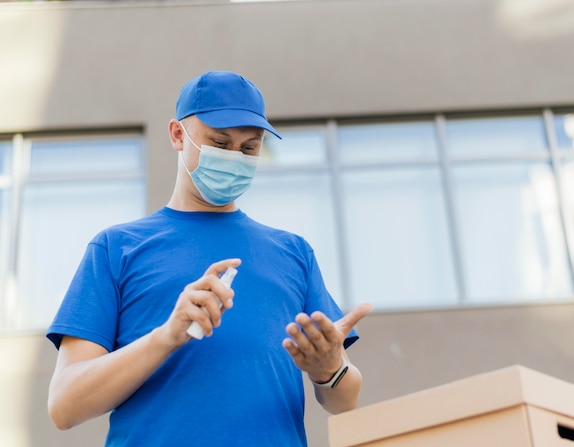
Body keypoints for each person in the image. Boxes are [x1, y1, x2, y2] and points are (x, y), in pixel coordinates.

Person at [46, 70, 372, 447]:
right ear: (177, 135)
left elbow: (344, 400)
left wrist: (328, 369)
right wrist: (167, 336)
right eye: (219, 142)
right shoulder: (116, 248)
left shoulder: (293, 253)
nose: (235, 157)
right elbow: (64, 406)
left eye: (250, 148)